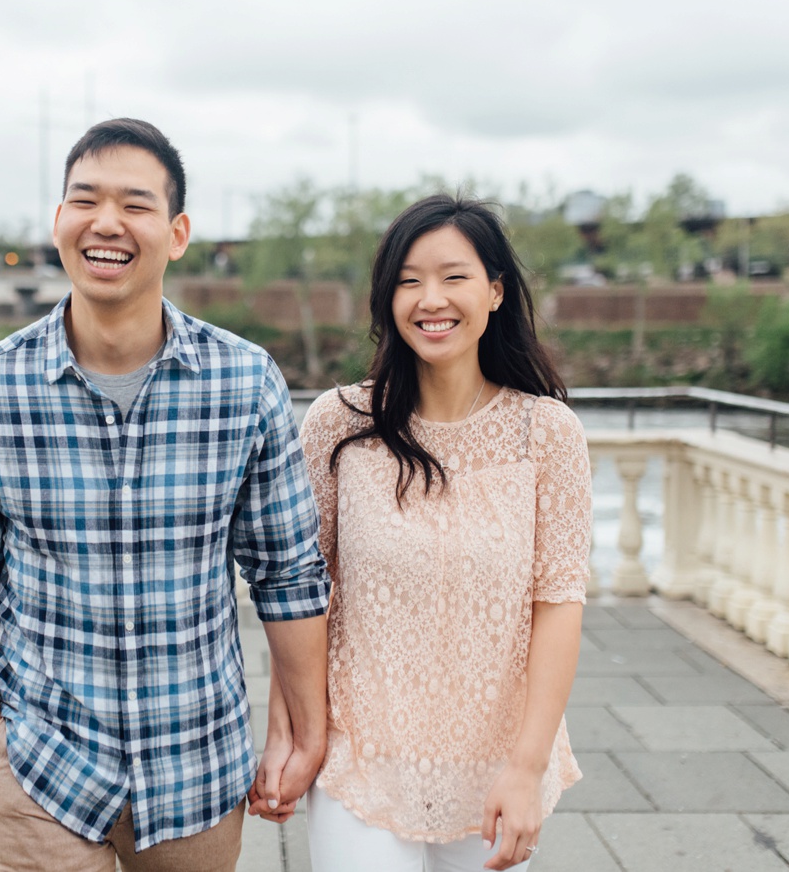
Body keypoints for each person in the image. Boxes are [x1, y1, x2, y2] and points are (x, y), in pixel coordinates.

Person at [0, 118, 330, 872]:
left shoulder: (244, 383)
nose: (106, 222)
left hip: (197, 766)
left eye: (135, 204)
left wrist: (303, 732)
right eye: (85, 200)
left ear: (176, 233)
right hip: (39, 766)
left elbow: (288, 572)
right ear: (58, 223)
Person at [253, 194, 591, 871]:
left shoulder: (546, 433)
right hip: (361, 758)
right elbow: (303, 594)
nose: (430, 298)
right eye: (408, 280)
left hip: (497, 762)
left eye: (453, 276)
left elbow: (557, 606)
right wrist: (286, 734)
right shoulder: (337, 424)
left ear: (495, 291)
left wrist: (526, 769)